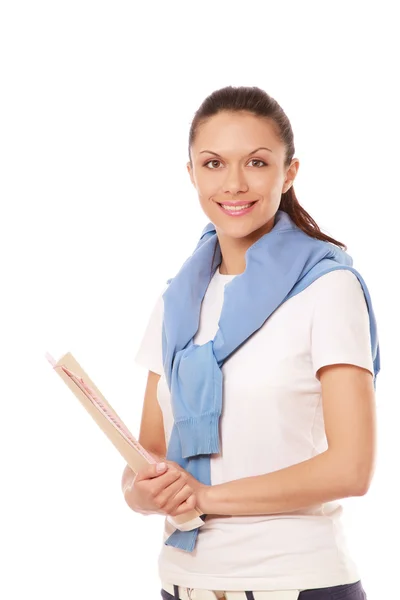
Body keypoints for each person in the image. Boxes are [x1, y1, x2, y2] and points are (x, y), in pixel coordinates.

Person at [122, 86, 377, 600]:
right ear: (191, 173)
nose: (234, 183)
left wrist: (207, 496)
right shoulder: (175, 303)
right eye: (213, 163)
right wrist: (143, 494)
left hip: (293, 582)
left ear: (289, 173)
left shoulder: (328, 289)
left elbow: (352, 467)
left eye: (257, 162)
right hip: (183, 582)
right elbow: (147, 458)